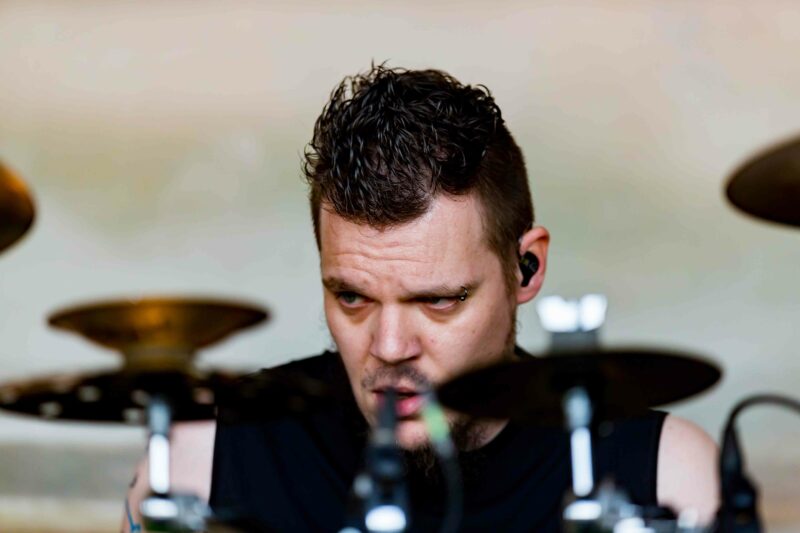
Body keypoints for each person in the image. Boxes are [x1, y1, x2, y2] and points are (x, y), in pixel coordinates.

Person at [123, 65, 719, 532]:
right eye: (352, 297)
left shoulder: (663, 472)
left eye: (439, 301)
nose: (389, 348)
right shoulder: (204, 456)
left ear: (527, 268)